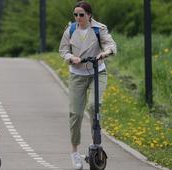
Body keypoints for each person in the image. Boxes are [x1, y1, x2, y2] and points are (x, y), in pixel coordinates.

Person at [59, 1, 116, 170]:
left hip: (97, 73)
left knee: (94, 105)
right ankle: (75, 152)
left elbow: (110, 44)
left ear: (89, 15)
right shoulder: (70, 30)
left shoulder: (99, 29)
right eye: (75, 15)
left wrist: (105, 53)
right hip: (77, 75)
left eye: (81, 15)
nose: (78, 18)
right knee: (75, 114)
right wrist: (71, 58)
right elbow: (63, 50)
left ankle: (95, 144)